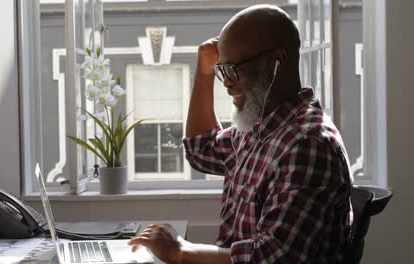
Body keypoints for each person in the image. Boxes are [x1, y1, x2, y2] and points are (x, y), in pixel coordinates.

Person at [128, 4, 353, 263]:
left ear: (276, 62)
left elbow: (273, 258)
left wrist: (180, 251)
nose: (226, 82)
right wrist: (204, 73)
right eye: (222, 71)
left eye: (233, 69)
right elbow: (200, 151)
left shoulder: (307, 144)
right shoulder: (259, 129)